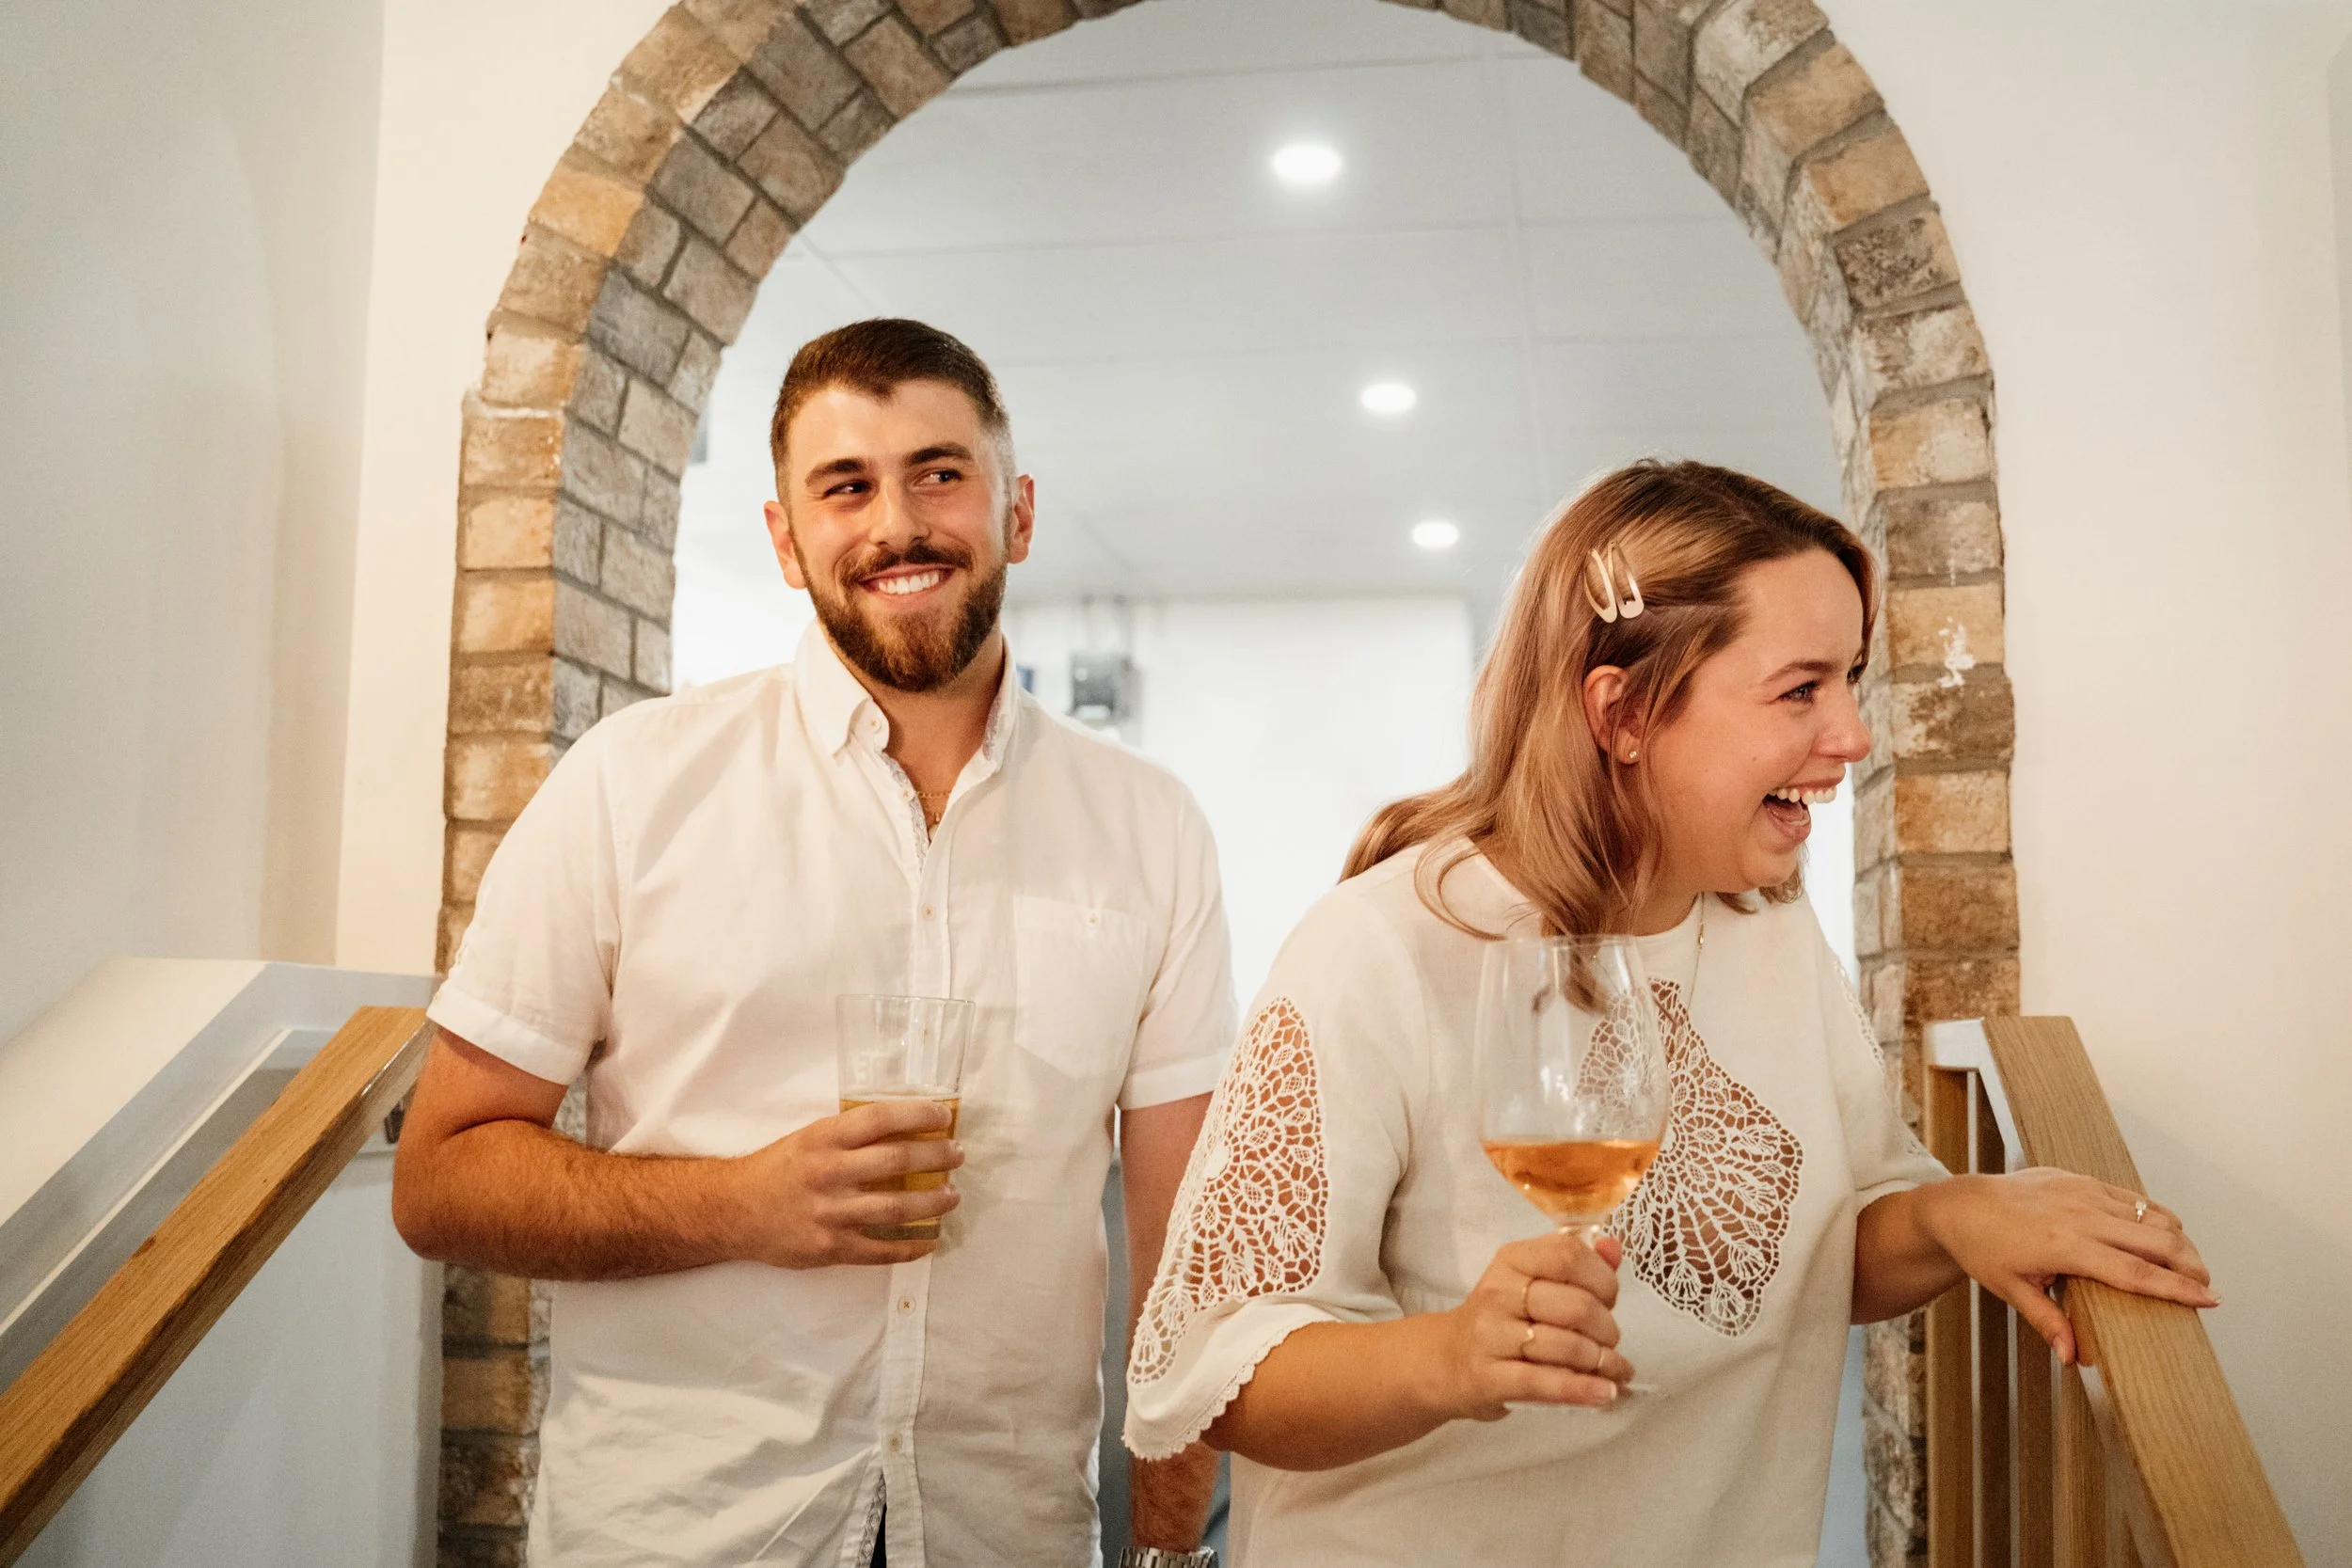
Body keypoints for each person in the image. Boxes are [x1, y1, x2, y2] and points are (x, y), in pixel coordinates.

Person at [1123, 461, 2216, 1565]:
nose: (1852, 733)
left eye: (1849, 679)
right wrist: (1449, 1356)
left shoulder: (1762, 921)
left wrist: (1950, 1215)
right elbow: (1218, 1373)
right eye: (1800, 689)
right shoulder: (1376, 950)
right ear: (1625, 712)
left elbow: (1821, 1245)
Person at [393, 319, 1230, 1568]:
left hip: (1003, 1533)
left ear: (1018, 512)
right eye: (845, 486)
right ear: (787, 540)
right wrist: (743, 1203)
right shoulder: (633, 783)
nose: (898, 523)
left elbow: (1188, 1251)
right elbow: (441, 1176)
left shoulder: (1149, 827)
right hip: (685, 1534)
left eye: (939, 472)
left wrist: (1167, 1553)